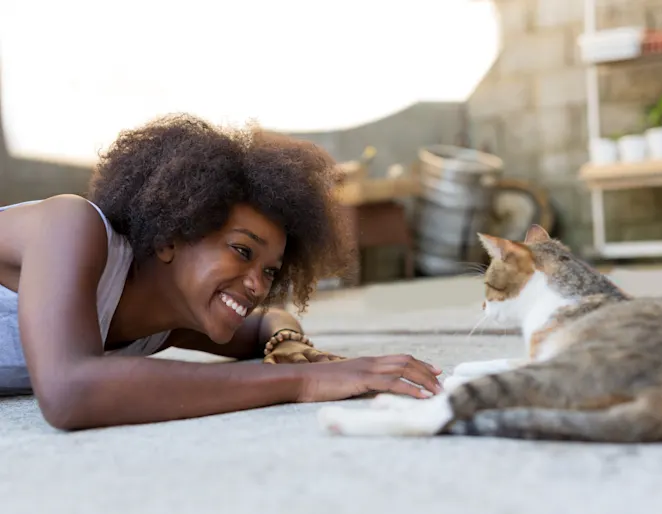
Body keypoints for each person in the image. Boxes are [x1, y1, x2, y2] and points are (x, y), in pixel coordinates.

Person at [0, 114, 443, 431]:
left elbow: (265, 325)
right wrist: (302, 380)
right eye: (240, 250)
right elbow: (68, 392)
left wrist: (287, 344)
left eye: (270, 271)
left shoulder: (170, 323)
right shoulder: (72, 228)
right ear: (172, 234)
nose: (257, 284)